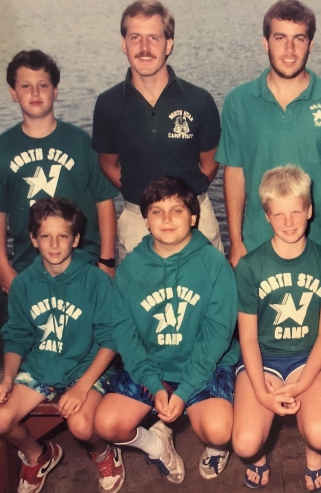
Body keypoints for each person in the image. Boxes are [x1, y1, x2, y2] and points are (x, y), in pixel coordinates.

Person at [93, 176, 238, 485]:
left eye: (177, 210)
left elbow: (216, 337)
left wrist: (183, 392)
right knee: (107, 425)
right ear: (145, 220)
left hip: (203, 364)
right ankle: (157, 444)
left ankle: (215, 447)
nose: (167, 219)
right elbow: (126, 335)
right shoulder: (131, 268)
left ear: (194, 217)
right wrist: (154, 385)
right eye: (157, 211)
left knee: (220, 430)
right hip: (153, 365)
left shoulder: (214, 264)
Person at [217, 0, 321, 266]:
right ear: (265, 43)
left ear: (311, 44)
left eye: (299, 38)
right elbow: (235, 173)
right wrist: (236, 242)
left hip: (319, 243)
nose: (289, 49)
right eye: (280, 37)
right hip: (256, 244)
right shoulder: (239, 101)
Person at [0, 198, 121, 493]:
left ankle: (103, 452)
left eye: (63, 236)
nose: (55, 244)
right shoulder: (24, 284)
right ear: (34, 239)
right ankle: (39, 455)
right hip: (42, 367)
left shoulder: (96, 280)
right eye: (45, 236)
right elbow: (16, 335)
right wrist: (8, 380)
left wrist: (82, 386)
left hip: (86, 367)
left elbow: (111, 339)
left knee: (82, 425)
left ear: (75, 239)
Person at [232, 165, 321, 492]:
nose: (289, 222)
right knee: (245, 443)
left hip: (309, 358)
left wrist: (302, 383)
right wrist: (263, 392)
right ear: (266, 216)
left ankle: (314, 456)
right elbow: (248, 338)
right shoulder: (251, 266)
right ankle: (259, 458)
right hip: (263, 358)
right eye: (278, 214)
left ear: (309, 210)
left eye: (296, 211)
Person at [0, 50, 118, 293]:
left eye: (43, 85)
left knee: (86, 328)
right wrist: (2, 265)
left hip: (84, 262)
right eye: (25, 86)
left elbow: (104, 202)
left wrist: (106, 260)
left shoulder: (81, 142)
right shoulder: (1, 149)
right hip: (28, 265)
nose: (35, 93)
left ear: (55, 91)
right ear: (13, 92)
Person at [92, 0, 224, 259]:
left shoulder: (199, 100)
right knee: (137, 298)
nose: (144, 48)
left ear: (169, 44)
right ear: (123, 44)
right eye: (135, 38)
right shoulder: (107, 104)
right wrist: (143, 197)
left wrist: (181, 202)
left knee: (210, 297)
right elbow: (108, 164)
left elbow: (211, 162)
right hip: (136, 222)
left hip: (195, 218)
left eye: (153, 37)